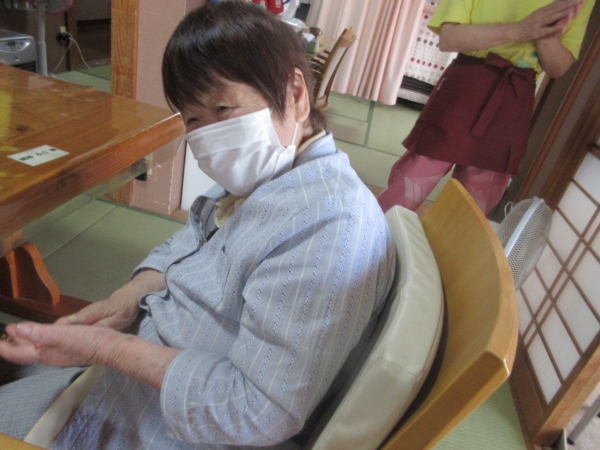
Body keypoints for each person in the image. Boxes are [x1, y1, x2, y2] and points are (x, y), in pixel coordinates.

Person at [0, 2, 396, 449]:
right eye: (192, 119)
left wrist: (102, 347)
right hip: (121, 376)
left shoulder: (327, 225)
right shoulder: (265, 179)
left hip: (150, 425)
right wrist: (129, 297)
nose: (208, 134)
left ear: (296, 95)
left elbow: (257, 413)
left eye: (223, 107)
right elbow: (187, 242)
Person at [377, 0, 596, 215]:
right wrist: (520, 30)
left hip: (514, 100)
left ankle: (449, 240)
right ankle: (373, 231)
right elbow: (449, 38)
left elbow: (558, 68)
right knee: (412, 180)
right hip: (465, 87)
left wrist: (544, 33)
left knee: (474, 206)